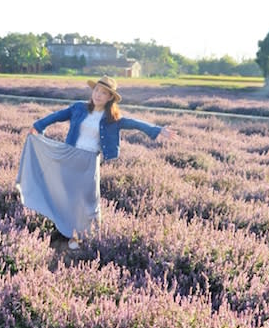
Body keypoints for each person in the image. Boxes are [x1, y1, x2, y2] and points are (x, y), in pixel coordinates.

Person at [16, 75, 173, 250]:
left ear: (110, 98)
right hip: (69, 156)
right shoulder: (78, 108)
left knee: (87, 201)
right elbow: (57, 116)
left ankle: (83, 236)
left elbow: (135, 123)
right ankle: (64, 231)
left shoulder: (112, 119)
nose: (98, 95)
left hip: (89, 162)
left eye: (103, 93)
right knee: (66, 197)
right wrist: (38, 126)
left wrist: (158, 130)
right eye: (97, 90)